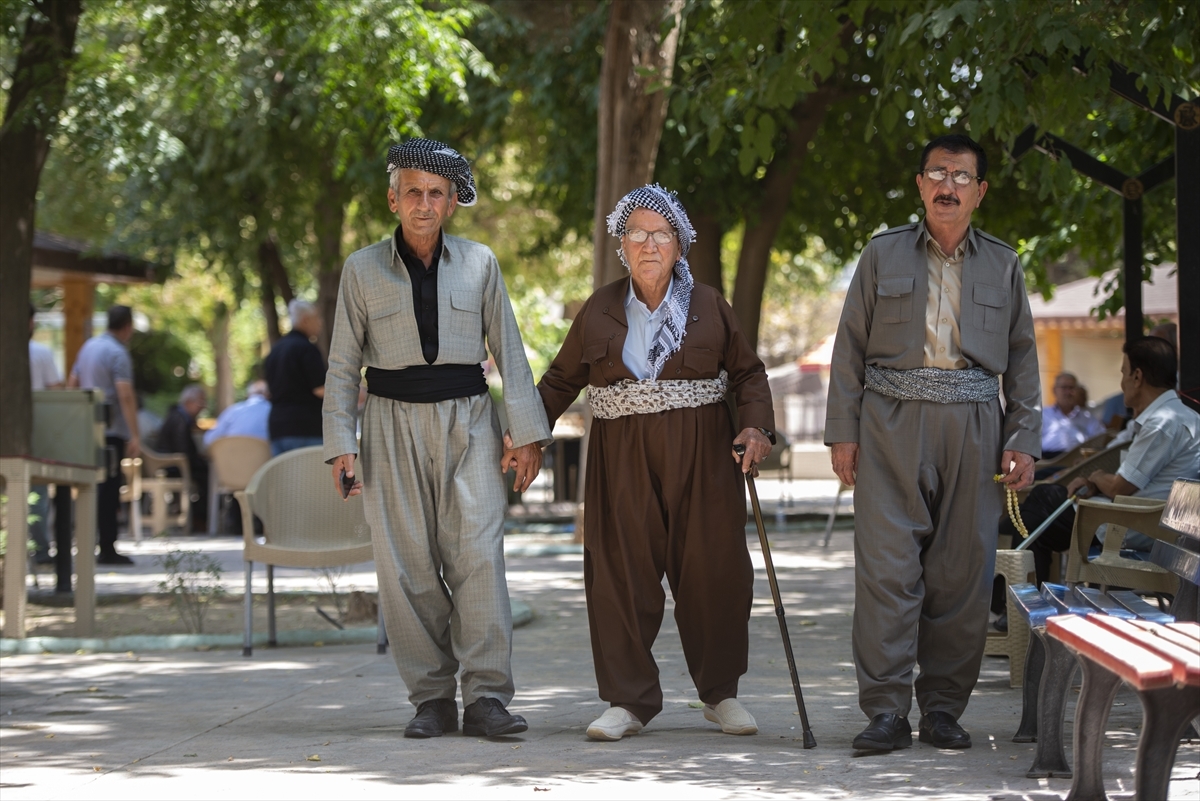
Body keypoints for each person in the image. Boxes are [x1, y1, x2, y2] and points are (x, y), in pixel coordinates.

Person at [323, 138, 552, 740]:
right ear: (394, 200)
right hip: (389, 423)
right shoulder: (360, 269)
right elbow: (343, 365)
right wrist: (341, 444)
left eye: (436, 194)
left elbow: (510, 350)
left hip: (470, 419)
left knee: (478, 553)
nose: (424, 204)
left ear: (452, 203)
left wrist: (526, 434)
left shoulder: (480, 262)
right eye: (413, 193)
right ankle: (431, 699)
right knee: (406, 565)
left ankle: (485, 698)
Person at [825, 134, 1041, 752]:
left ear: (980, 190)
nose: (948, 186)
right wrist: (843, 432)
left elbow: (1022, 359)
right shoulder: (881, 254)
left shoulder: (1004, 263)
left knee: (961, 574)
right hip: (889, 421)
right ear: (920, 185)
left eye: (961, 176)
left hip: (975, 424)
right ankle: (887, 712)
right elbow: (849, 348)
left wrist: (1024, 438)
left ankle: (944, 709)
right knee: (887, 571)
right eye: (937, 174)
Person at [536, 184, 775, 741]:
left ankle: (721, 694)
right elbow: (558, 381)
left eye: (660, 233)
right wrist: (527, 436)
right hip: (622, 455)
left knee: (715, 569)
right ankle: (628, 701)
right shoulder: (598, 308)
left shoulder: (711, 306)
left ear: (680, 244)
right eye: (636, 233)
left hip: (705, 455)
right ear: (622, 244)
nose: (648, 244)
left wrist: (755, 427)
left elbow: (747, 374)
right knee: (618, 572)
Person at [1004, 336, 1200, 586]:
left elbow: (1120, 487)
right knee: (1041, 511)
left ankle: (1011, 597)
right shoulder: (1184, 416)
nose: (1122, 382)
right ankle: (1020, 596)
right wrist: (1095, 483)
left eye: (1124, 373)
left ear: (1137, 377)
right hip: (1150, 523)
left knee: (1042, 502)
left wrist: (1095, 478)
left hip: (1133, 527)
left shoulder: (1163, 423)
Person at [68, 305, 141, 565]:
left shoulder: (88, 347)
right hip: (110, 430)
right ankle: (108, 547)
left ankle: (91, 542)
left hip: (88, 428)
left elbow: (72, 383)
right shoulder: (117, 353)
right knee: (110, 489)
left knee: (93, 486)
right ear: (128, 326)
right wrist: (134, 434)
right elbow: (125, 394)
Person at [265, 300, 326, 456]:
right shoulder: (306, 349)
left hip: (277, 427)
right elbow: (321, 389)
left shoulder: (275, 350)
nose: (321, 323)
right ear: (305, 320)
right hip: (305, 428)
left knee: (285, 479)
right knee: (310, 479)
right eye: (317, 318)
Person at [29, 304, 64, 564]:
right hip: (36, 431)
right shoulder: (40, 353)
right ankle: (40, 549)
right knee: (37, 492)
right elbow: (57, 395)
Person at [156, 384, 210, 532]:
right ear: (188, 401)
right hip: (173, 466)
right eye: (201, 402)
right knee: (208, 478)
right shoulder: (180, 419)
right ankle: (200, 519)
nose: (203, 407)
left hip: (172, 464)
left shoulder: (178, 417)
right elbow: (183, 451)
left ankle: (199, 518)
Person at [1041, 372, 1104, 459]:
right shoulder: (1042, 414)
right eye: (1064, 388)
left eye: (1072, 388)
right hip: (1047, 460)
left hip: (1078, 462)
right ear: (1054, 390)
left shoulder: (1088, 418)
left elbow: (1101, 440)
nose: (1068, 392)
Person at [203, 380, 271, 447]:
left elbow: (209, 439)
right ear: (268, 395)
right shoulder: (272, 411)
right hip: (266, 457)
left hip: (229, 456)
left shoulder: (233, 410)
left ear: (248, 394)